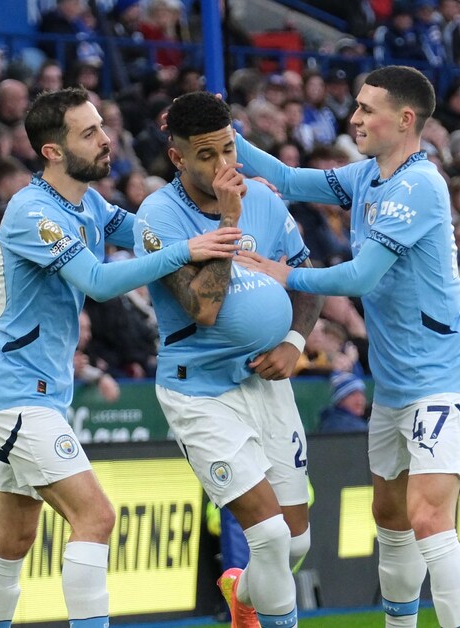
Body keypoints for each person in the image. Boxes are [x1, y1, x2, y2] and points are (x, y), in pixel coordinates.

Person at [0, 86, 240, 628]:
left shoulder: (88, 203)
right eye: (89, 132)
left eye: (101, 126)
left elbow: (147, 232)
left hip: (40, 393)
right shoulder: (32, 212)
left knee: (12, 539)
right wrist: (186, 251)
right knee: (95, 516)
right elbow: (96, 280)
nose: (105, 138)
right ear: (53, 151)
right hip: (16, 394)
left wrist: (206, 201)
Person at [232, 66, 460, 628]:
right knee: (390, 517)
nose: (355, 118)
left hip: (440, 377)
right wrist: (228, 136)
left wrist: (284, 274)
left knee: (429, 519)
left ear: (406, 119)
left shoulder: (419, 185)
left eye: (368, 109)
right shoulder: (368, 175)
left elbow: (361, 276)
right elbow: (288, 179)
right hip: (393, 382)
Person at [135, 92, 322, 628]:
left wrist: (293, 342)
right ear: (177, 158)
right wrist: (230, 220)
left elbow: (306, 278)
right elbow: (204, 308)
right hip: (201, 391)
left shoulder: (263, 197)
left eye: (228, 150)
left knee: (295, 543)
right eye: (206, 155)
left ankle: (242, 594)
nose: (223, 165)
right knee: (269, 537)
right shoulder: (158, 217)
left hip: (268, 384)